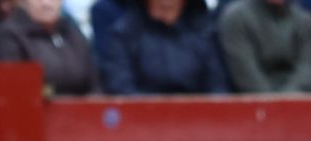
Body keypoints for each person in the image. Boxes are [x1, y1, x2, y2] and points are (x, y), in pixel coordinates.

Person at [97, 0, 227, 94]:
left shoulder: (204, 32)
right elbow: (120, 88)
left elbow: (218, 87)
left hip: (198, 118)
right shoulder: (124, 33)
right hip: (142, 117)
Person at [0, 0, 98, 95]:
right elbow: (12, 92)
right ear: (23, 2)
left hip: (81, 108)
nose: (46, 3)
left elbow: (95, 85)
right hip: (35, 108)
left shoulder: (72, 33)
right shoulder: (11, 36)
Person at [218, 0, 311, 93]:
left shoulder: (304, 20)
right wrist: (274, 103)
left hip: (298, 101)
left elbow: (307, 69)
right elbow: (246, 73)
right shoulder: (236, 18)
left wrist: (288, 100)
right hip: (252, 101)